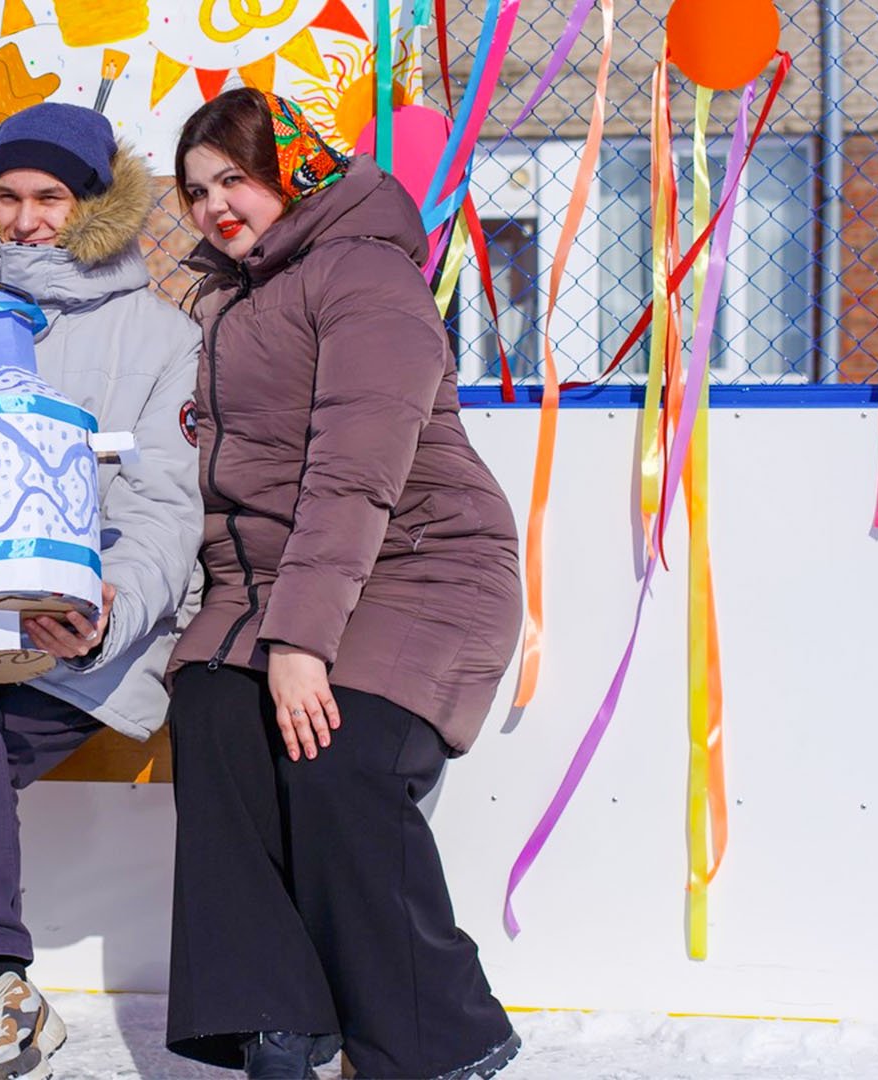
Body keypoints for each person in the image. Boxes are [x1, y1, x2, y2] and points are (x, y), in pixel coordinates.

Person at [163, 89, 524, 1080]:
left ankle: (443, 1037)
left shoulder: (366, 272)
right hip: (286, 583)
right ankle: (275, 1022)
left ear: (293, 171)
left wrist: (298, 642)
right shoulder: (229, 300)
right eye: (196, 191)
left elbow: (354, 473)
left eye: (234, 178)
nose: (214, 206)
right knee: (212, 715)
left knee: (336, 756)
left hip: (424, 567)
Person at [0, 102, 203, 1080]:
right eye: (9, 198)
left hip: (87, 641)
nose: (25, 221)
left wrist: (103, 614)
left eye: (50, 198)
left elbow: (165, 507)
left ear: (95, 204)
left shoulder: (162, 338)